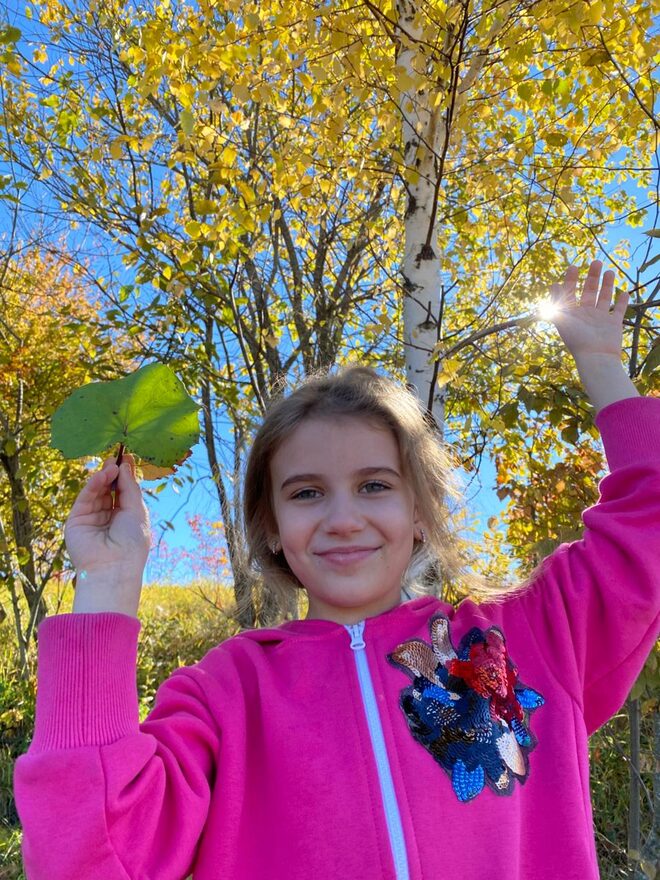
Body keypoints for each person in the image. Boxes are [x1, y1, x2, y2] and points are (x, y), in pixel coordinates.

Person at [13, 261, 659, 879]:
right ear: (270, 525)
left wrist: (602, 366)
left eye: (375, 485)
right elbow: (92, 855)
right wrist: (107, 580)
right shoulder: (224, 693)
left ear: (420, 514)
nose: (343, 519)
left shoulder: (531, 637)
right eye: (306, 493)